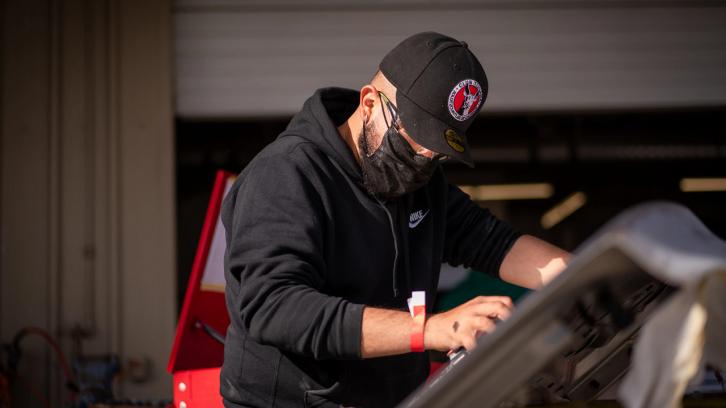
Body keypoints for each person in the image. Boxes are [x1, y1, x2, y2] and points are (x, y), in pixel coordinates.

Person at [220, 32, 570, 408]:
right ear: (369, 102)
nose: (419, 161)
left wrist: (584, 278)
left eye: (435, 153)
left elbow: (490, 242)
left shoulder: (421, 181)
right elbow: (274, 306)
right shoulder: (287, 174)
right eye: (411, 139)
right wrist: (432, 328)